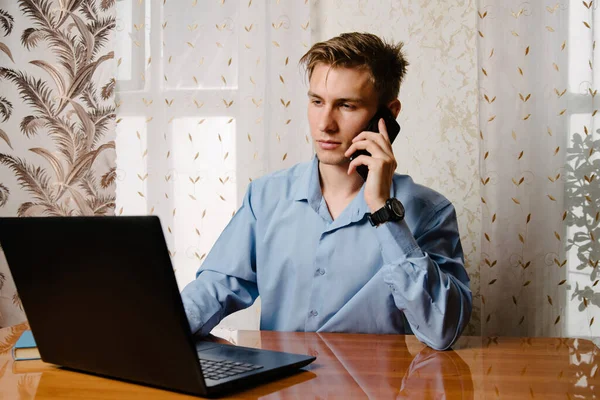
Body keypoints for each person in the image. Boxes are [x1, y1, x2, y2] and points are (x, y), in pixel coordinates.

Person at [181, 32, 471, 350]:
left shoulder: (429, 211)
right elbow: (212, 291)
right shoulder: (266, 197)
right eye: (317, 101)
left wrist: (383, 209)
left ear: (388, 115)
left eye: (346, 106)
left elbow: (442, 330)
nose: (325, 124)